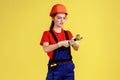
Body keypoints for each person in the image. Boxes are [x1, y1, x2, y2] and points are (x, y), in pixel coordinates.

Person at [40, 4, 79, 80]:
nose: (62, 20)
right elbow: (46, 49)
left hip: (69, 69)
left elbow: (76, 48)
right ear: (53, 18)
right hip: (55, 68)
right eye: (59, 18)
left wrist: (75, 43)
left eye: (64, 18)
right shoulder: (47, 34)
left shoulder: (68, 33)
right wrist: (59, 44)